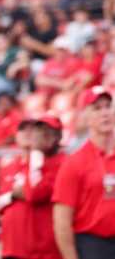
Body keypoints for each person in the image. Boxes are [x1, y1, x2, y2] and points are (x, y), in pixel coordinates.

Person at [52, 85, 115, 259]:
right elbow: (62, 221)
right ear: (85, 118)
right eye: (96, 108)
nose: (104, 113)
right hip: (93, 245)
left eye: (108, 106)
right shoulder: (74, 163)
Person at [22, 116, 64, 259]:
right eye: (38, 130)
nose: (40, 136)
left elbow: (34, 193)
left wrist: (34, 152)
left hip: (53, 245)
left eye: (46, 131)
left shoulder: (62, 163)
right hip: (32, 243)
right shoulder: (36, 161)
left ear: (57, 137)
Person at [0, 119, 34, 259]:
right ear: (16, 135)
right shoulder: (8, 167)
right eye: (23, 129)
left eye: (32, 129)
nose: (27, 133)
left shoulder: (45, 165)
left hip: (37, 248)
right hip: (10, 246)